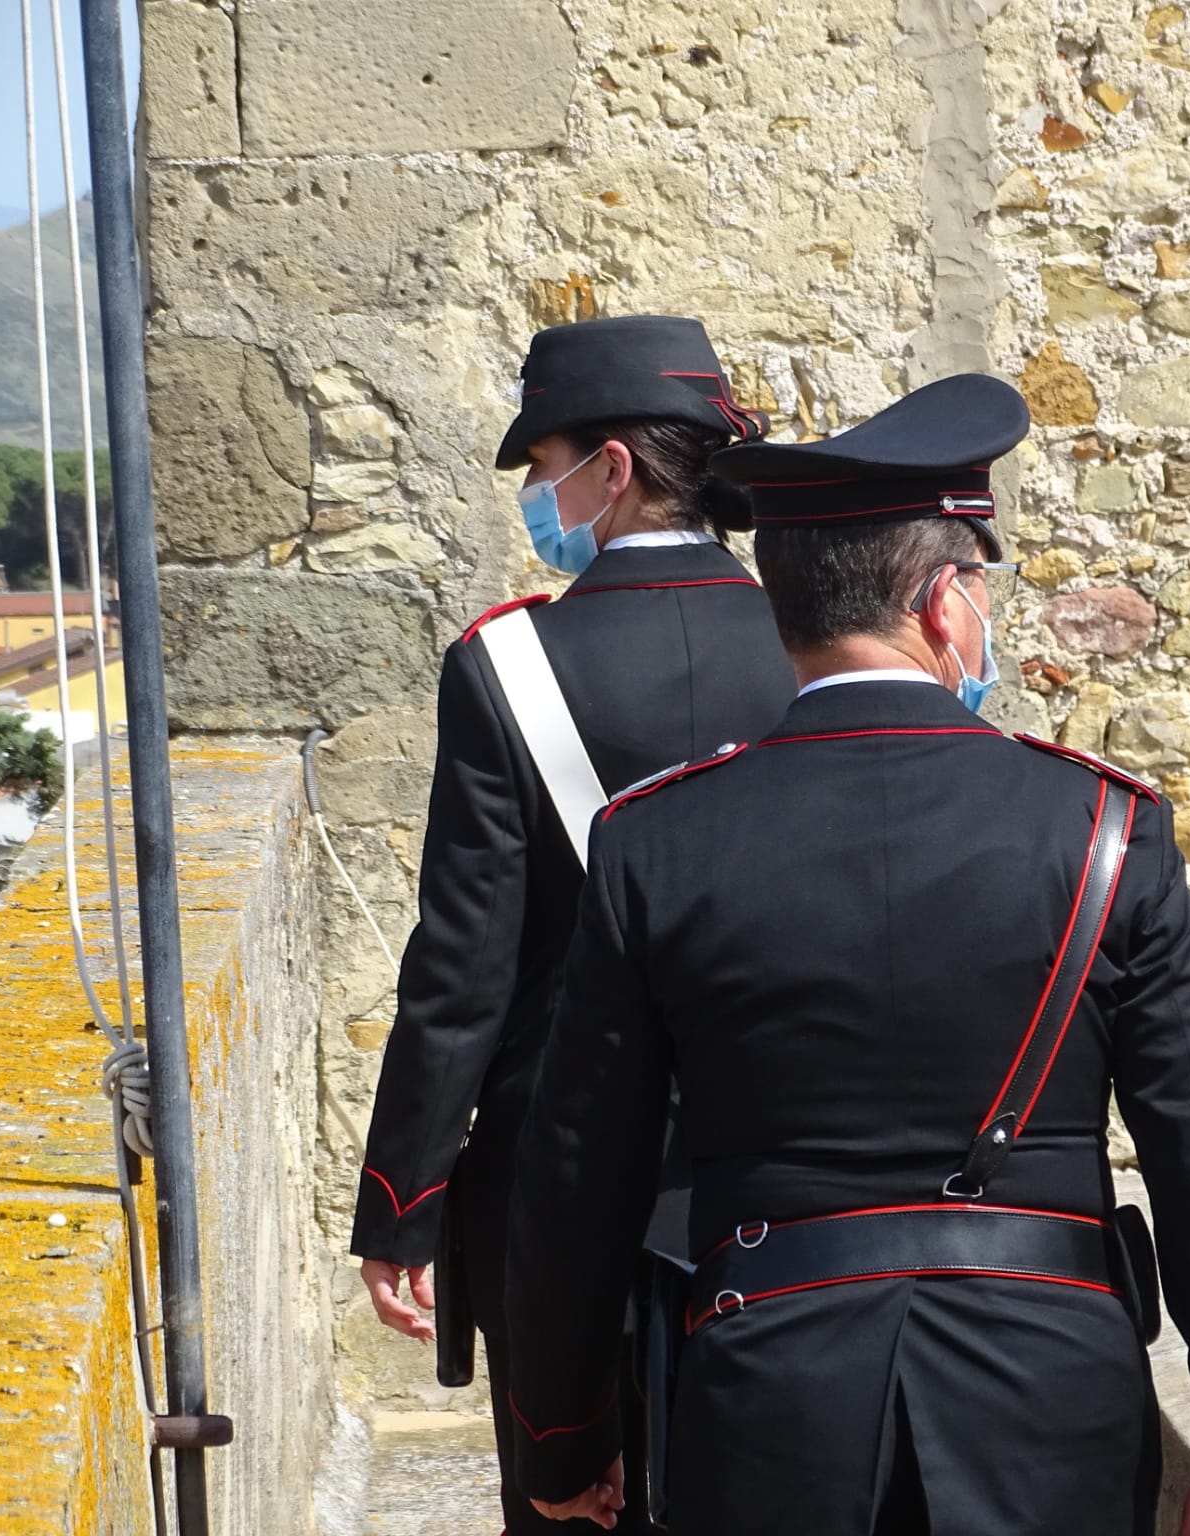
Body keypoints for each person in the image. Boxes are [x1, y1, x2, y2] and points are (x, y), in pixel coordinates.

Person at [501, 373, 1190, 1535]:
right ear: (942, 602)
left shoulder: (655, 840)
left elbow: (577, 1174)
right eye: (978, 587)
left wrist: (566, 1436)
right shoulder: (1102, 831)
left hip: (767, 1394)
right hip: (1048, 1404)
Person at [349, 316, 797, 1536]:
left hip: (561, 1178)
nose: (540, 498)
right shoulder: (815, 643)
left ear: (609, 471)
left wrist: (405, 1194)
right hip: (792, 1161)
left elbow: (462, 962)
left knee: (573, 1502)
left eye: (545, 469)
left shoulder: (508, 665)